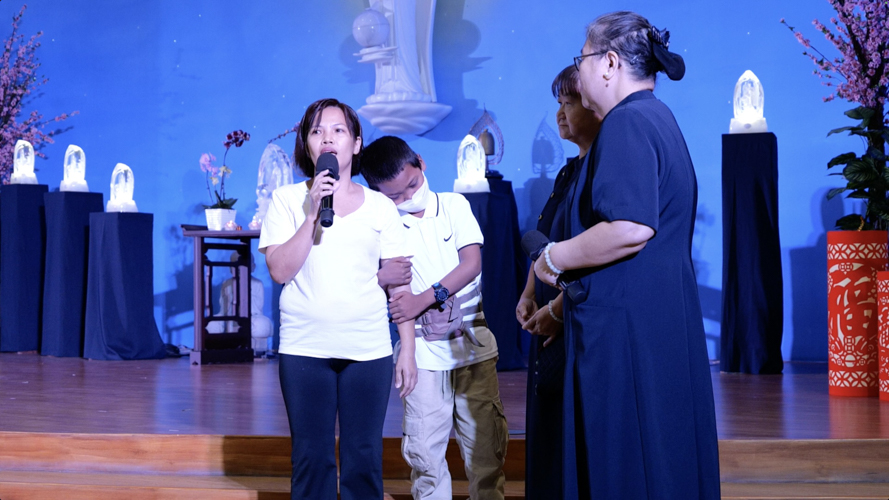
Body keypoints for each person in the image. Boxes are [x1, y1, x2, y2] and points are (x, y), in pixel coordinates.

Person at [535, 12, 721, 498]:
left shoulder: (627, 123)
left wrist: (553, 258)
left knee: (625, 462)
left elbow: (631, 227)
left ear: (610, 63)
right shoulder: (657, 117)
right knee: (658, 456)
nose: (579, 73)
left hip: (626, 333)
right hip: (654, 321)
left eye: (583, 59)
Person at [258, 98, 418, 500]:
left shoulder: (381, 207)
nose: (327, 137)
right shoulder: (286, 200)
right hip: (304, 347)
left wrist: (408, 348)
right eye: (317, 131)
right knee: (311, 459)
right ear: (307, 145)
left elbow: (398, 283)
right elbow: (280, 270)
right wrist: (312, 211)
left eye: (338, 130)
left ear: (357, 143)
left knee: (363, 459)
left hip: (368, 349)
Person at [363, 135, 508, 500]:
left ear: (421, 163)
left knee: (485, 451)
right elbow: (395, 295)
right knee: (425, 457)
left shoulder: (454, 206)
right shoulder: (384, 228)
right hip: (424, 356)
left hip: (472, 347)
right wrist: (406, 347)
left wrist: (425, 299)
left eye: (412, 185)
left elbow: (471, 264)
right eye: (395, 196)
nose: (408, 197)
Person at [515, 64, 601, 500]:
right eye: (558, 105)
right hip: (549, 310)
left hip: (577, 315)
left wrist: (557, 309)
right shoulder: (568, 171)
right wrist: (531, 292)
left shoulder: (601, 171)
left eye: (569, 103)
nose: (561, 115)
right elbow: (544, 238)